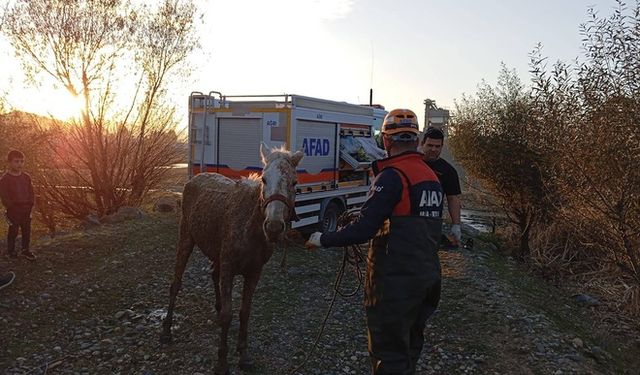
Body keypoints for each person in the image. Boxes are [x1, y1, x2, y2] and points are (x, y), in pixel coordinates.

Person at [306, 109, 444, 374]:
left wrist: (322, 238)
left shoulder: (393, 176)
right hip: (427, 279)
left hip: (395, 284)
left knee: (388, 354)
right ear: (416, 141)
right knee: (410, 346)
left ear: (386, 141)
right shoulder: (431, 177)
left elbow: (363, 230)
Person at [420, 127, 462, 247]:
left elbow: (453, 198)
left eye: (437, 146)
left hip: (433, 223)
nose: (433, 149)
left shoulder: (448, 171)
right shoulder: (413, 163)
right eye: (430, 145)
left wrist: (456, 225)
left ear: (442, 147)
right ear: (422, 144)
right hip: (410, 221)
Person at [0, 150, 36, 261]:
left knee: (26, 230)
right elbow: (4, 195)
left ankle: (25, 250)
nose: (19, 164)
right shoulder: (5, 179)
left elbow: (31, 192)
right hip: (13, 210)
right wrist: (10, 206)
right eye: (16, 161)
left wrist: (30, 204)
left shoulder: (26, 177)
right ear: (9, 162)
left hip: (26, 208)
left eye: (21, 161)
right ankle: (11, 251)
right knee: (13, 230)